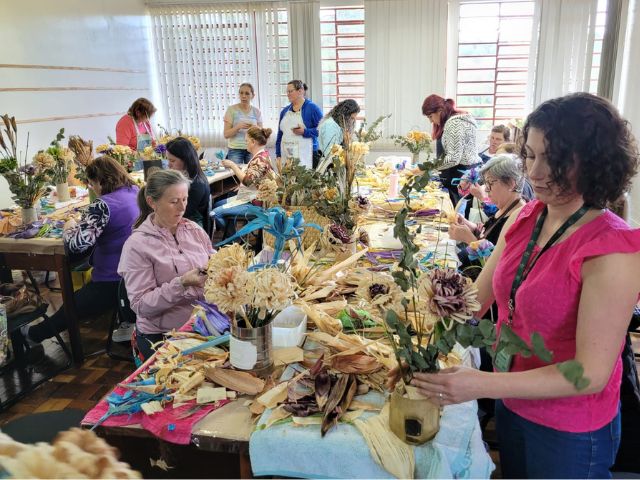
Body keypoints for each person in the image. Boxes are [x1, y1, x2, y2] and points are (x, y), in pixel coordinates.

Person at [390, 93, 640, 478]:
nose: (536, 172)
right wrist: (412, 301)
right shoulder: (527, 218)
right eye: (531, 155)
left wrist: (483, 383)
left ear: (591, 160)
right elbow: (475, 302)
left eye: (553, 159)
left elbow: (588, 374)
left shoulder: (611, 250)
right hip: (514, 402)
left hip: (569, 429)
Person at [22, 156, 139, 347]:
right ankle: (126, 320)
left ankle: (33, 335)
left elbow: (77, 245)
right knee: (79, 300)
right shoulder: (134, 190)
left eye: (92, 183)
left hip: (114, 279)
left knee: (71, 307)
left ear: (101, 180)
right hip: (134, 271)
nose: (92, 188)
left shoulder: (104, 204)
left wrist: (70, 226)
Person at [118, 170, 212, 361]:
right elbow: (140, 305)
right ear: (152, 202)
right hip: (163, 335)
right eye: (174, 201)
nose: (182, 207)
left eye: (185, 199)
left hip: (202, 324)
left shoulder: (193, 230)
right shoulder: (137, 245)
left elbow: (213, 259)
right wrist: (182, 283)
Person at [449, 154, 526, 249]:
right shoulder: (504, 207)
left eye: (490, 183)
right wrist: (466, 223)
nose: (486, 189)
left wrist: (470, 240)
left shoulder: (518, 218)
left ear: (510, 184)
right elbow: (486, 233)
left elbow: (497, 261)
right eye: (486, 184)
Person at [212, 127, 274, 236]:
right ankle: (233, 235)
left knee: (214, 213)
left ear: (253, 142)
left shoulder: (260, 159)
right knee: (217, 203)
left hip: (255, 204)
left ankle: (234, 238)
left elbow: (248, 181)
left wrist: (232, 165)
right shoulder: (262, 155)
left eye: (246, 141)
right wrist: (241, 186)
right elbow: (254, 180)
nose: (245, 143)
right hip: (251, 197)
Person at [422, 95, 480, 206]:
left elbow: (453, 158)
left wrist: (427, 167)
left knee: (459, 214)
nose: (430, 121)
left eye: (430, 116)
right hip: (463, 174)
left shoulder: (454, 123)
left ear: (439, 110)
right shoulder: (456, 121)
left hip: (461, 177)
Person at [275, 80, 323, 170]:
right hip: (287, 157)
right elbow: (280, 135)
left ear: (300, 91)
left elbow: (322, 130)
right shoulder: (284, 111)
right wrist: (278, 154)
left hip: (308, 156)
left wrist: (304, 131)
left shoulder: (313, 108)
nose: (288, 94)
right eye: (287, 92)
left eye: (290, 91)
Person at [166, 137, 210, 230]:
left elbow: (182, 213)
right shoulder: (187, 176)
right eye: (168, 160)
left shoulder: (197, 185)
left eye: (172, 161)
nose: (168, 165)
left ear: (186, 160)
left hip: (191, 227)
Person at [223, 83, 263, 165]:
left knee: (252, 176)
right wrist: (237, 127)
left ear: (253, 95)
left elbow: (262, 135)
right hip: (235, 150)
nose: (243, 96)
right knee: (235, 176)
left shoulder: (256, 111)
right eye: (241, 93)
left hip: (252, 149)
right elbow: (226, 134)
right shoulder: (231, 110)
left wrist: (255, 128)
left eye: (247, 93)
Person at [317, 99, 361, 173]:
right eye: (351, 118)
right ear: (345, 115)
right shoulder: (331, 125)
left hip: (333, 164)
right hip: (329, 166)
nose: (352, 121)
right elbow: (330, 153)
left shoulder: (338, 125)